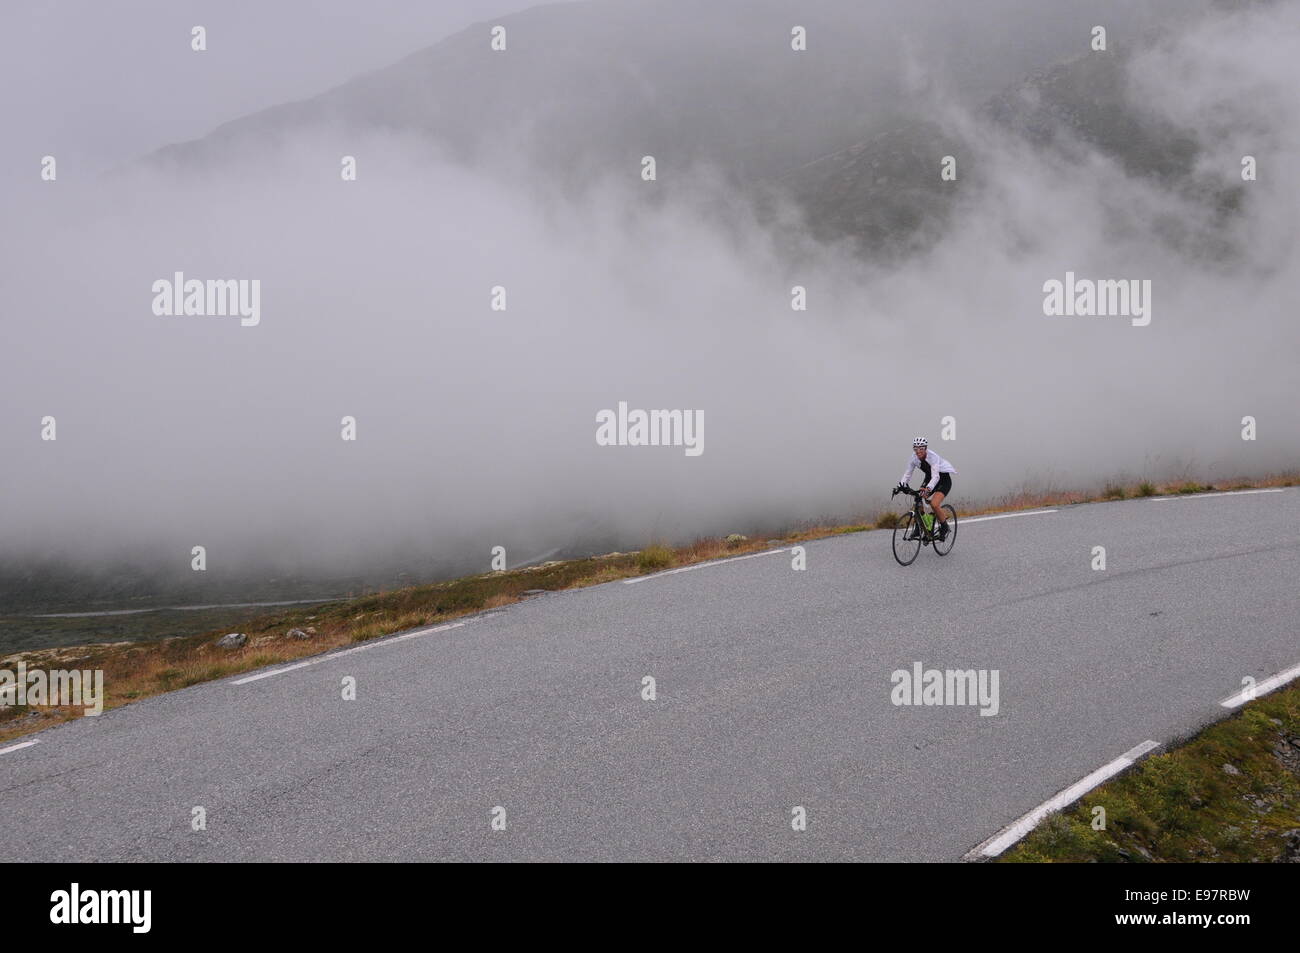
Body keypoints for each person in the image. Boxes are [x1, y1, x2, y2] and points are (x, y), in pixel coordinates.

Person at [896, 437, 957, 540]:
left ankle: (944, 527)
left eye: (921, 449)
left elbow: (936, 476)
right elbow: (908, 473)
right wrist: (900, 486)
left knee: (934, 504)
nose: (918, 451)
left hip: (943, 480)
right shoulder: (913, 458)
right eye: (915, 449)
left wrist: (928, 489)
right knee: (918, 498)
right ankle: (920, 527)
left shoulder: (933, 457)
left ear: (926, 448)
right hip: (929, 478)